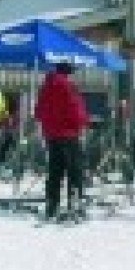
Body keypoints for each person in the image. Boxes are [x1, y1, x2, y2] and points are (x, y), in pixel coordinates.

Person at [33, 62, 91, 218]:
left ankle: (52, 205)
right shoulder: (68, 86)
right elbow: (76, 109)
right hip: (69, 134)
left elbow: (38, 111)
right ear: (68, 72)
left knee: (54, 172)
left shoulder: (46, 87)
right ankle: (75, 203)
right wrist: (83, 123)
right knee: (74, 170)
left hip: (52, 136)